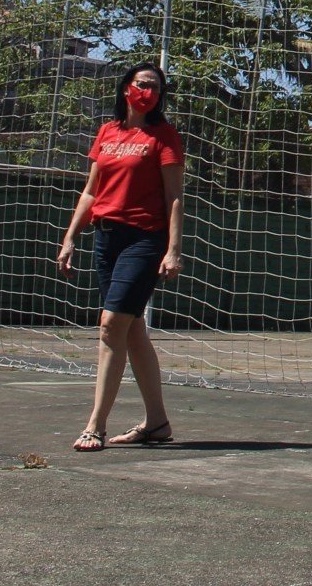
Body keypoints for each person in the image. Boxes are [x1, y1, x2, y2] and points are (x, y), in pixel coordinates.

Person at [57, 61, 185, 451]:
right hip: (105, 238)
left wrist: (173, 249)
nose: (149, 92)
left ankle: (95, 425)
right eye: (143, 84)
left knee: (111, 324)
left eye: (157, 88)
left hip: (144, 240)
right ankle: (157, 423)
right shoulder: (108, 132)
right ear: (126, 87)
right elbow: (91, 191)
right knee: (131, 332)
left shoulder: (165, 137)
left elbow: (174, 197)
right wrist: (70, 237)